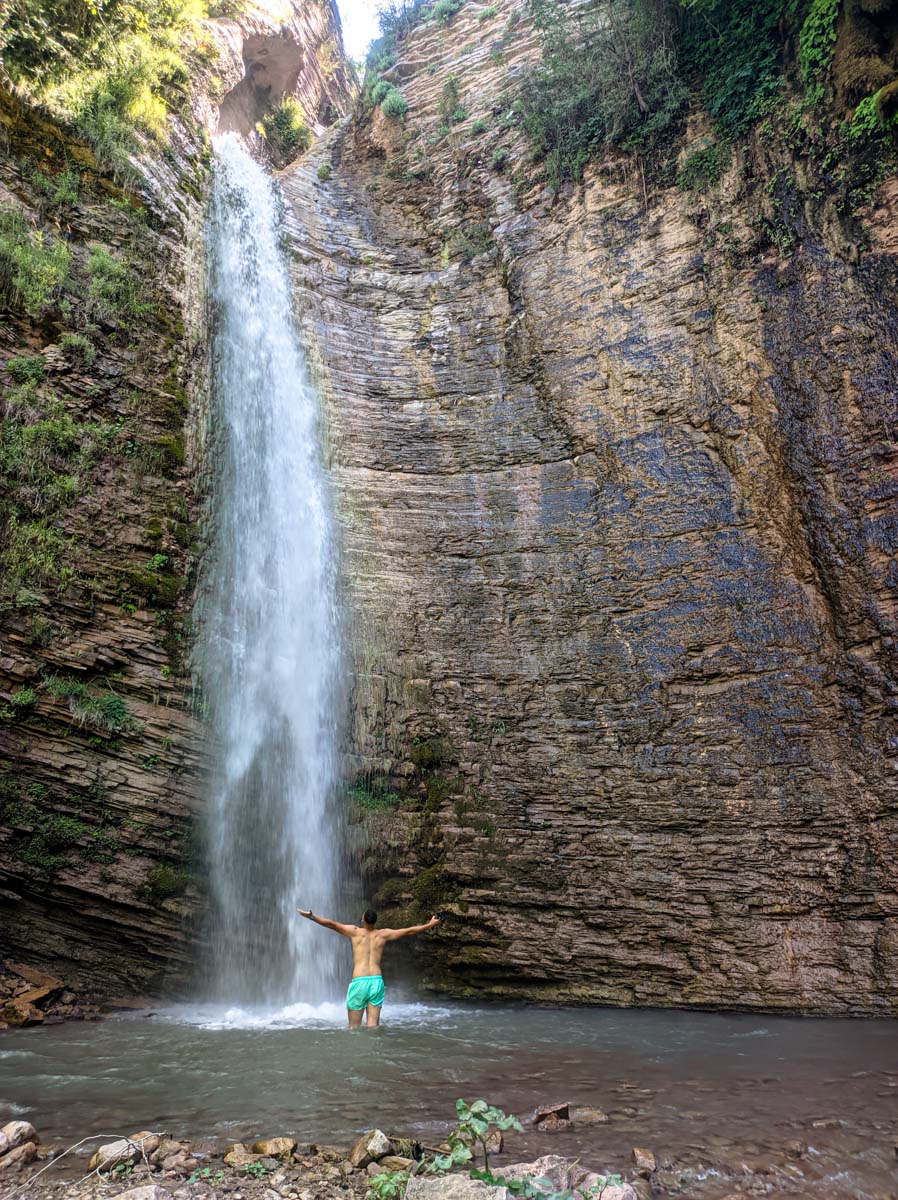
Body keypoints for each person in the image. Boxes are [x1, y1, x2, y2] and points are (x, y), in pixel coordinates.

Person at [297, 906, 440, 1028]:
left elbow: (332, 924)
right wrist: (430, 924)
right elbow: (409, 931)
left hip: (360, 982)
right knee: (373, 1027)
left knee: (354, 1028)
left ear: (363, 920)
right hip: (376, 982)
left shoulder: (355, 932)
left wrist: (312, 917)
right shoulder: (383, 934)